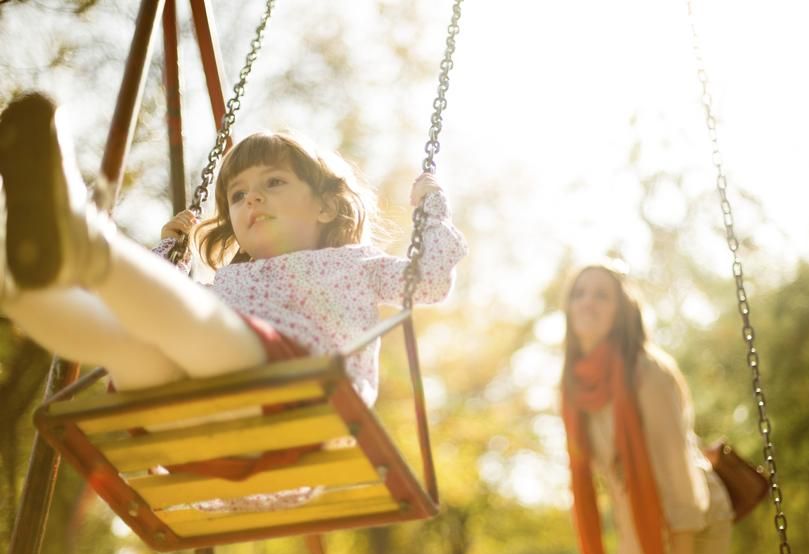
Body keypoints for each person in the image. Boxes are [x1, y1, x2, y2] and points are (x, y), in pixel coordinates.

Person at [0, 92, 466, 507]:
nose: (251, 200)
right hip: (186, 438)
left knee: (202, 324)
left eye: (274, 183)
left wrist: (431, 207)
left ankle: (83, 239)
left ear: (326, 206)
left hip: (300, 407)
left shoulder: (357, 263)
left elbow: (429, 280)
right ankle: (18, 289)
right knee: (128, 343)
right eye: (238, 194)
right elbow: (151, 304)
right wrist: (168, 251)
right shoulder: (227, 284)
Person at [560, 261, 733, 554]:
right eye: (579, 294)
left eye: (601, 295)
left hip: (695, 523)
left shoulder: (647, 372)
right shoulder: (573, 388)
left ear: (622, 310)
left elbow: (678, 473)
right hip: (641, 534)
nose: (587, 302)